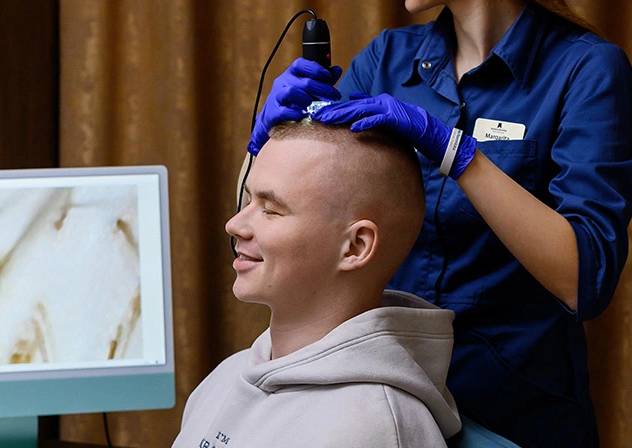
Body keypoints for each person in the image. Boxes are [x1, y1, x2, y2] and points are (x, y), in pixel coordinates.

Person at [247, 1, 632, 446]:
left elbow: (585, 280)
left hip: (514, 411)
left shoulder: (586, 68)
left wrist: (457, 153)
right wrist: (263, 138)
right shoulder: (387, 59)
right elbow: (280, 219)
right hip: (385, 402)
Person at [174, 119, 461, 447]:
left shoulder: (372, 428)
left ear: (355, 247)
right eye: (248, 200)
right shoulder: (224, 379)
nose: (234, 224)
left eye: (271, 210)